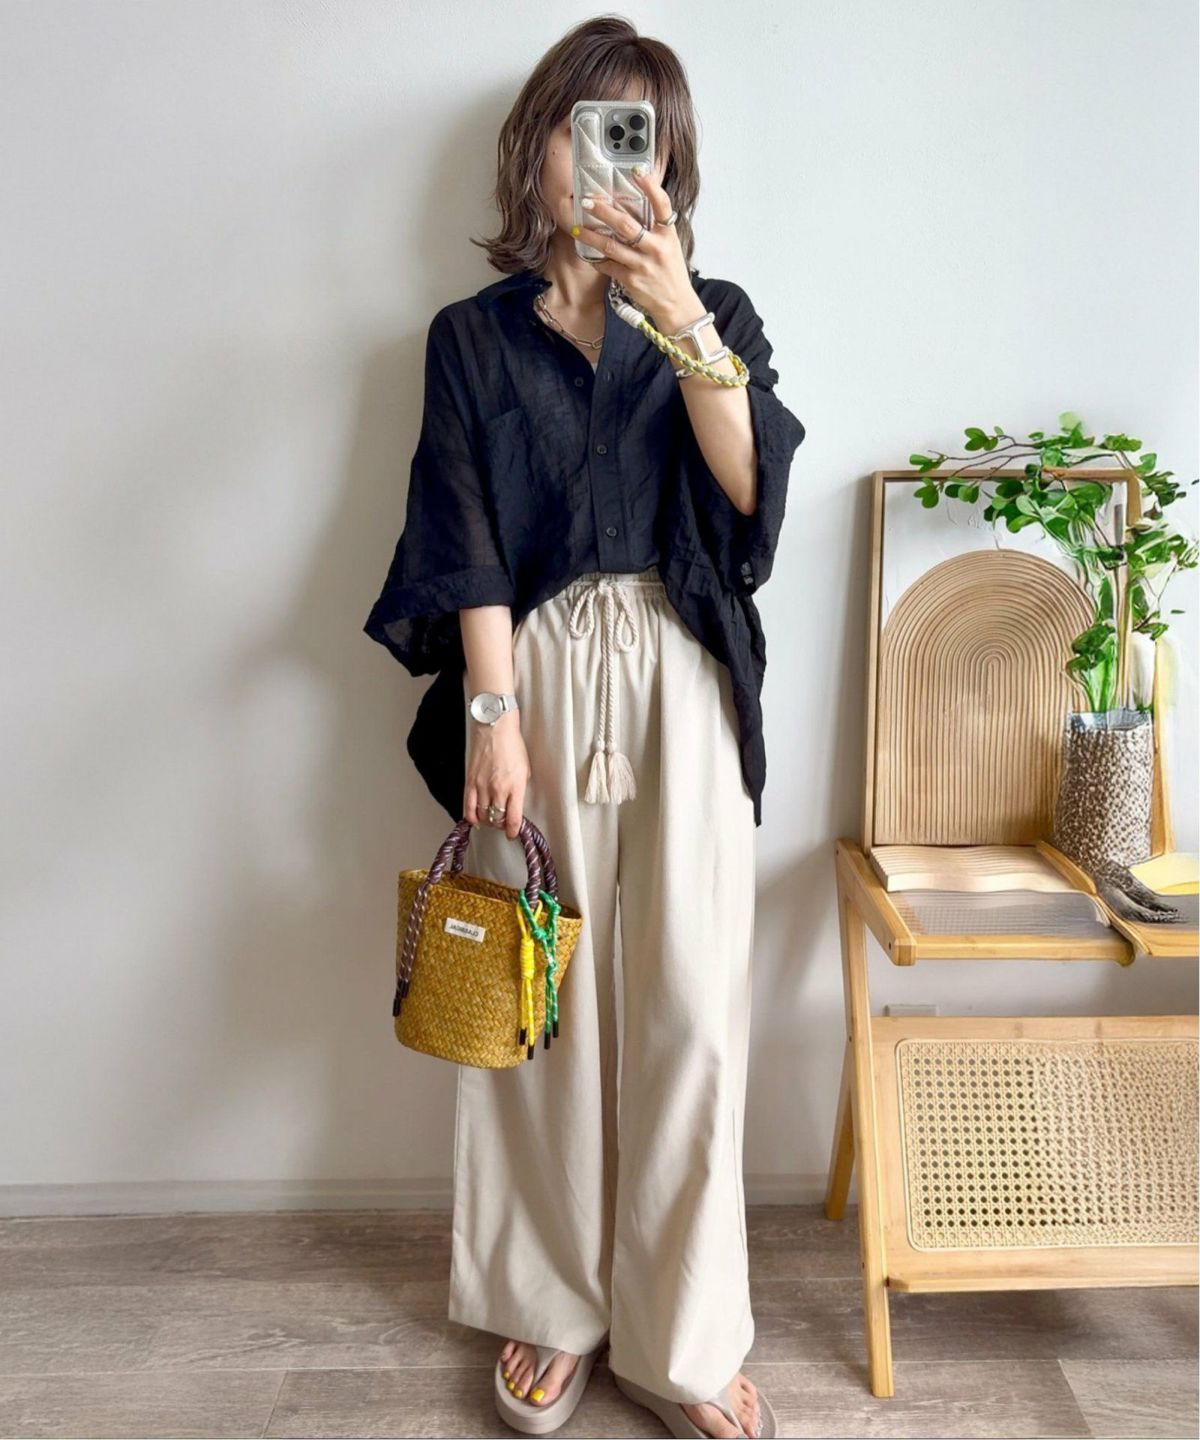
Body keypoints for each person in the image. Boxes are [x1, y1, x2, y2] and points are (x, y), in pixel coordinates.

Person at [364, 18, 805, 1439]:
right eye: (586, 127)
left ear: (669, 164)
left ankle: (682, 1338)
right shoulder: (470, 338)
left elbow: (749, 503)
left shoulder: (715, 309)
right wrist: (492, 715)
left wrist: (680, 316)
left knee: (692, 1007)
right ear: (539, 141)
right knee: (536, 1001)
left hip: (682, 668)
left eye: (639, 136)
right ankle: (547, 1302)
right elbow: (465, 538)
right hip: (536, 675)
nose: (607, 160)